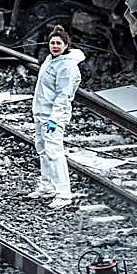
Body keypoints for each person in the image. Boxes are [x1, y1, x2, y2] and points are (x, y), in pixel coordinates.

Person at [28, 25, 84, 209]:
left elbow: (64, 95)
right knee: (42, 150)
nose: (55, 46)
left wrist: (55, 118)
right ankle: (47, 186)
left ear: (66, 45)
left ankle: (64, 193)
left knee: (54, 153)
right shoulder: (50, 60)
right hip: (41, 113)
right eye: (52, 43)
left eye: (59, 43)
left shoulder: (67, 66)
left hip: (53, 116)